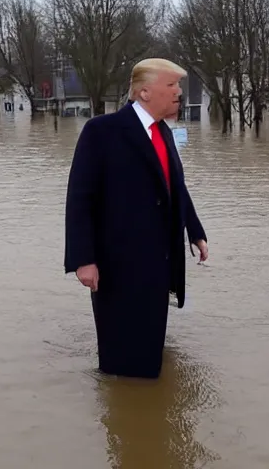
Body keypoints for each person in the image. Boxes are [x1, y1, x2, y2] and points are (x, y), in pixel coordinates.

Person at [64, 58, 208, 379]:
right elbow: (79, 199)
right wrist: (83, 259)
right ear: (144, 91)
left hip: (160, 263)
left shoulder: (165, 134)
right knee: (121, 366)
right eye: (171, 85)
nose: (178, 93)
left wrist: (194, 231)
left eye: (178, 86)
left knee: (150, 355)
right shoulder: (102, 132)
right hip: (118, 265)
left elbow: (176, 188)